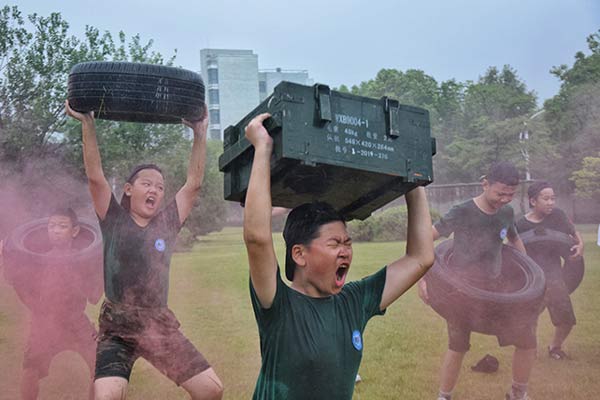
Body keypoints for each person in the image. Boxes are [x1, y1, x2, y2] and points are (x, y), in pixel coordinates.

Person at [243, 113, 435, 400]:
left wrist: (414, 181)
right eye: (334, 243)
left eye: (348, 242)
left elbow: (421, 258)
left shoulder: (354, 302)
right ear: (300, 254)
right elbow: (257, 239)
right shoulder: (278, 304)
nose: (346, 250)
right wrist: (262, 149)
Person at [65, 101, 223, 400]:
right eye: (147, 184)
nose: (154, 190)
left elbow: (193, 185)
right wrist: (87, 124)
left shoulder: (167, 223)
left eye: (160, 187)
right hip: (117, 331)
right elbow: (96, 177)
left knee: (211, 390)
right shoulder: (113, 220)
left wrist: (200, 134)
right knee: (107, 396)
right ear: (128, 189)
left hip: (158, 326)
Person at [418, 161, 536, 400]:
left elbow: (513, 240)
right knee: (457, 346)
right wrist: (423, 278)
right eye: (500, 193)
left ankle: (518, 393)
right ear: (485, 184)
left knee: (526, 339)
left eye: (511, 195)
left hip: (497, 288)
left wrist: (532, 280)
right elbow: (425, 239)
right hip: (461, 290)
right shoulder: (462, 210)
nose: (505, 199)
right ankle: (444, 396)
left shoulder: (506, 212)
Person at [2, 208, 101, 400]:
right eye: (52, 226)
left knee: (101, 365)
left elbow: (94, 297)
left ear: (74, 231)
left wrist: (98, 273)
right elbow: (22, 288)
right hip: (45, 324)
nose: (55, 230)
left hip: (76, 322)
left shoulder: (84, 261)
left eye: (62, 226)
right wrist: (38, 311)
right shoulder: (37, 261)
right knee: (31, 369)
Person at [516, 181, 584, 360]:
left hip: (555, 276)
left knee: (567, 320)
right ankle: (530, 349)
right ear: (533, 201)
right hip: (532, 280)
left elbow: (573, 233)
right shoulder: (520, 224)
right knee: (530, 320)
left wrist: (581, 244)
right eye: (546, 199)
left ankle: (555, 347)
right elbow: (510, 247)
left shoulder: (558, 216)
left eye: (553, 198)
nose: (551, 202)